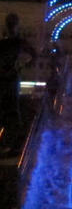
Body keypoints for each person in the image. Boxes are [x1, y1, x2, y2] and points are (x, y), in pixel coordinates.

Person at [0, 13, 36, 153]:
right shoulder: (14, 42)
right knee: (9, 109)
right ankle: (11, 142)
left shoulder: (14, 42)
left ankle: (13, 142)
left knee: (11, 109)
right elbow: (33, 55)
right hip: (9, 78)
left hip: (9, 79)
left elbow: (33, 55)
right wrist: (21, 66)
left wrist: (21, 66)